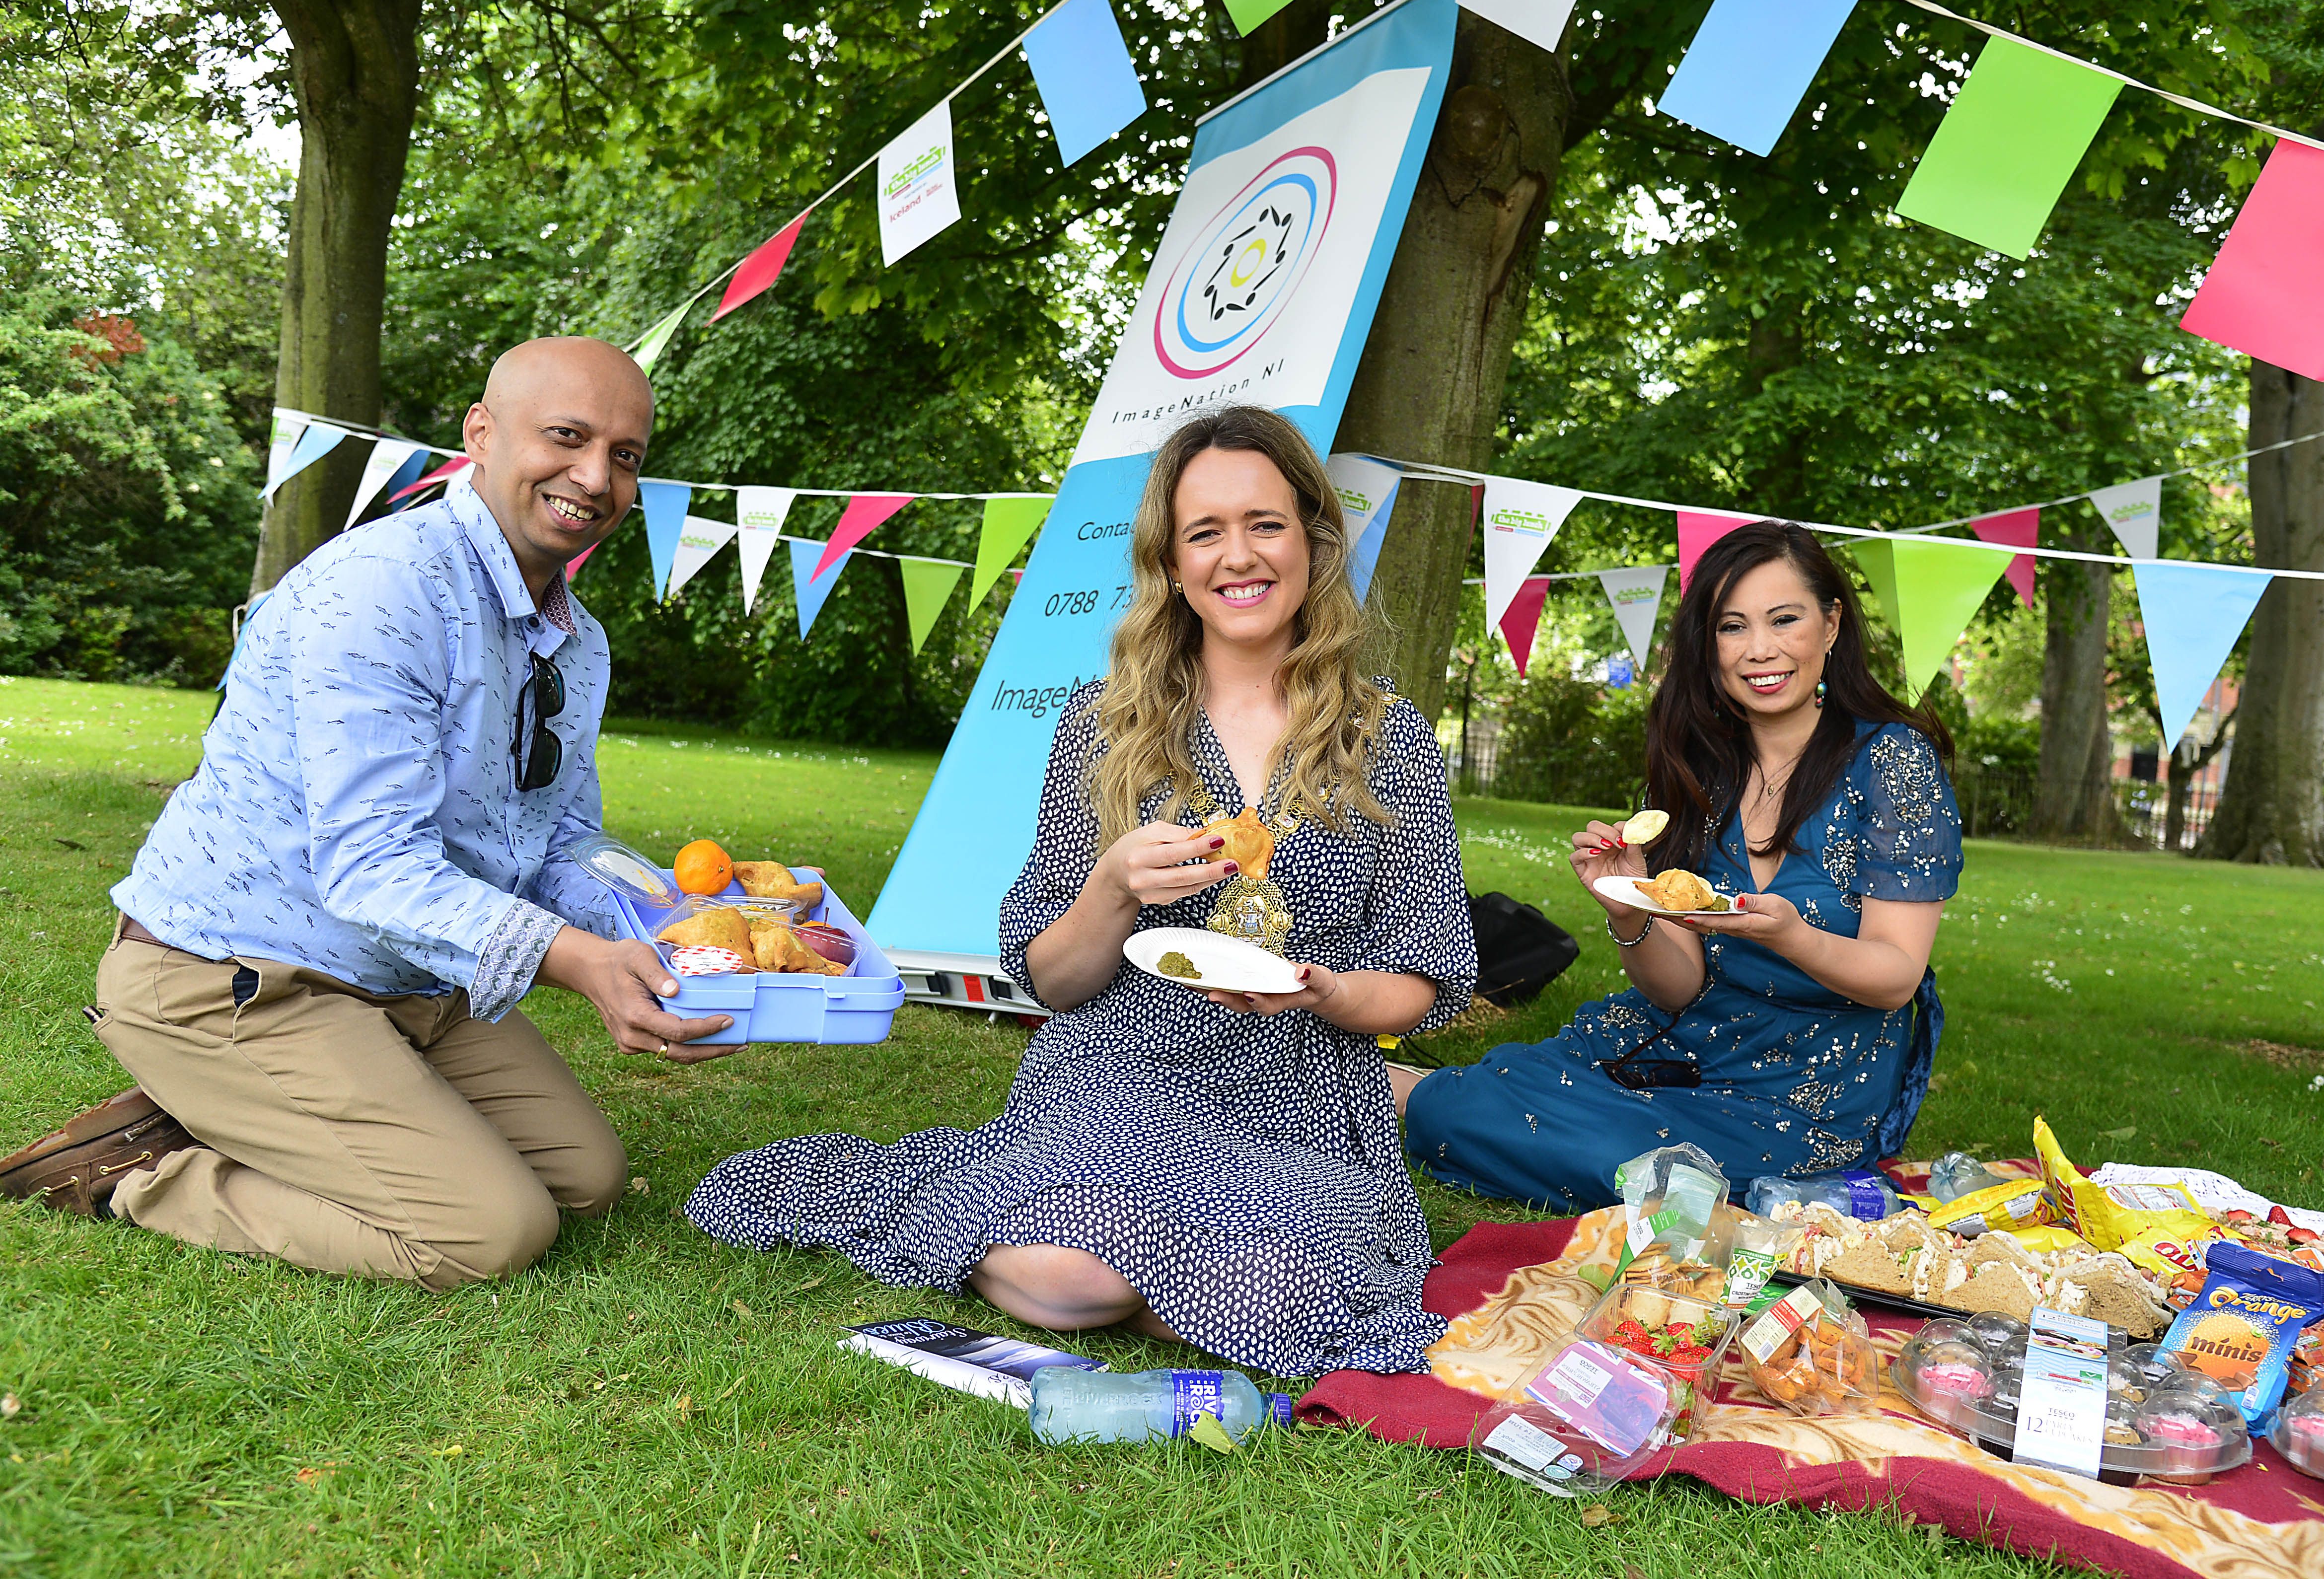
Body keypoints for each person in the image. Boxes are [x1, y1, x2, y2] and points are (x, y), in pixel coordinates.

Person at [685, 405, 1475, 1376]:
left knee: (1298, 1285)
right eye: (1206, 532)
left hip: (1300, 1096)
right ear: (1172, 562)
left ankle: (1175, 1265)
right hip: (1120, 1066)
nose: (1240, 557)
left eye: (1264, 524)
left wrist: (1322, 989)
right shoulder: (1104, 726)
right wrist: (1110, 886)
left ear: (1311, 538)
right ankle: (1123, 1260)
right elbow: (1053, 982)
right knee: (1071, 1283)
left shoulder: (1388, 738)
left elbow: (1420, 974)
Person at [0, 337, 738, 1286]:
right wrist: (579, 961)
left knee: (585, 1180)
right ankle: (139, 1173)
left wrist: (674, 919)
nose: (595, 477)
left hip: (408, 980)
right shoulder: (385, 587)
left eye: (626, 455)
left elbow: (556, 836)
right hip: (230, 973)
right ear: (482, 434)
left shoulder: (577, 639)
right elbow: (373, 870)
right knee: (489, 1232)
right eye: (567, 437)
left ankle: (274, 1107)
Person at [1399, 519, 1960, 1211]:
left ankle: (1390, 1093)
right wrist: (1629, 908)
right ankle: (1385, 1092)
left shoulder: (1894, 761)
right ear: (1709, 643)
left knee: (1653, 1177)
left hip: (1815, 1088)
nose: (1761, 650)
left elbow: (1895, 978)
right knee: (1478, 1107)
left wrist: (1787, 935)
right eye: (1733, 627)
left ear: (1832, 624)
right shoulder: (1701, 770)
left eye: (1785, 620)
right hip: (1686, 1043)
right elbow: (1677, 989)